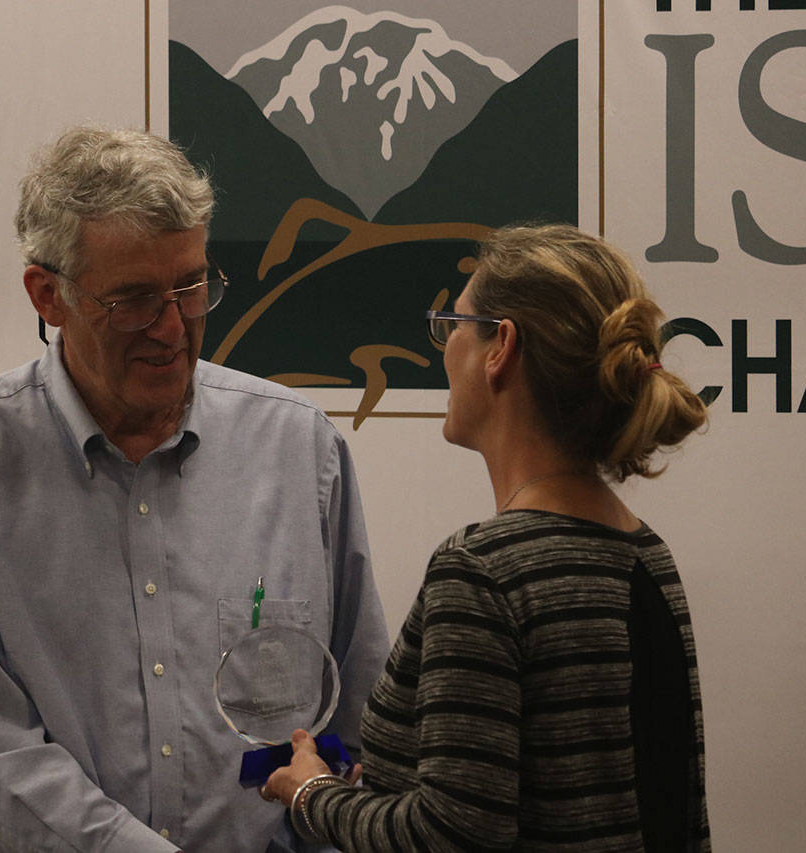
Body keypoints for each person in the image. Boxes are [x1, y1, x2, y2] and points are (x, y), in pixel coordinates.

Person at [0, 127, 389, 852]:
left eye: (191, 288)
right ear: (48, 295)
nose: (172, 328)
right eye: (133, 300)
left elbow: (360, 718)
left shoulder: (298, 447)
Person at [261, 224, 711, 851]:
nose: (445, 349)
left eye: (453, 325)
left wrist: (314, 794)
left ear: (501, 346)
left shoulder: (482, 571)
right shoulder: (646, 554)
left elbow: (453, 836)